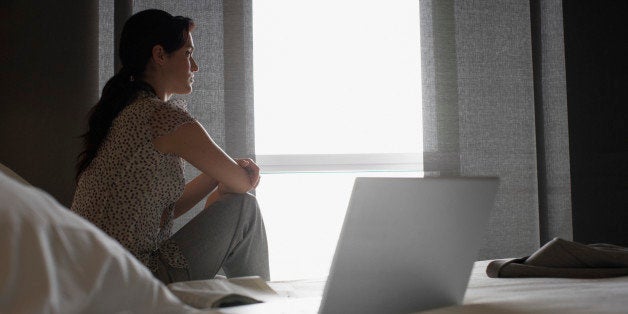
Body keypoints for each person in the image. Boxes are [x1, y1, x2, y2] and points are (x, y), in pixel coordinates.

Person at [71, 9, 269, 284]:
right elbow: (243, 184)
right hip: (134, 280)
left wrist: (217, 176)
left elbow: (165, 210)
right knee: (244, 209)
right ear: (160, 55)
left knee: (228, 252)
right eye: (188, 54)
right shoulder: (162, 117)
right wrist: (233, 175)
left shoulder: (125, 114)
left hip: (101, 279)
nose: (196, 66)